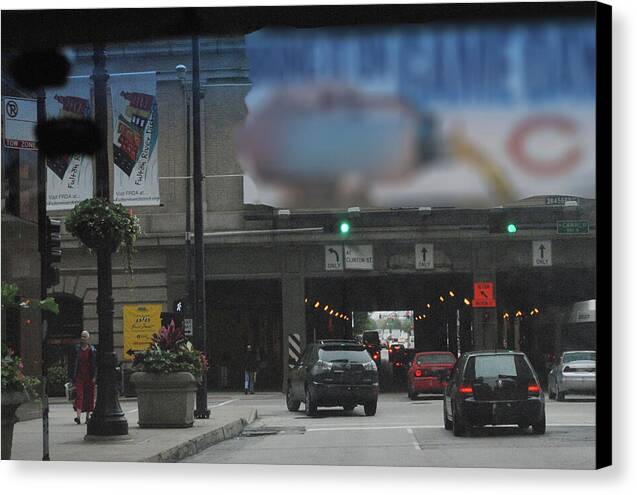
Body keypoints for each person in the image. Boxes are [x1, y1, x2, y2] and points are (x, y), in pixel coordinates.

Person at [70, 330, 97, 424]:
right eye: (82, 336)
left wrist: (94, 376)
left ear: (88, 339)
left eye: (85, 337)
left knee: (89, 396)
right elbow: (72, 363)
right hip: (79, 376)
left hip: (89, 376)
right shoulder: (77, 349)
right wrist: (72, 376)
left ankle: (87, 417)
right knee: (79, 395)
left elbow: (95, 364)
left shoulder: (92, 350)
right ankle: (78, 416)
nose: (83, 338)